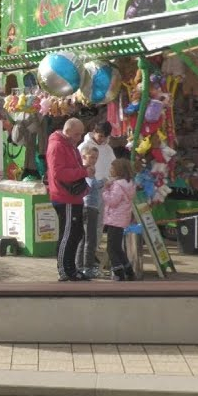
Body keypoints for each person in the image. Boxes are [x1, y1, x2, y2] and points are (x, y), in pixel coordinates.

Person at [48, 118, 90, 282]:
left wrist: (83, 170)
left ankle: (71, 268)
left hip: (74, 196)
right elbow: (59, 173)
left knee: (77, 232)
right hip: (64, 196)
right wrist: (83, 172)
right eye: (77, 134)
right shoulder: (57, 146)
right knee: (68, 233)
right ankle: (65, 270)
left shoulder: (69, 145)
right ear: (67, 131)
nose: (79, 138)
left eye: (80, 134)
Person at [78, 119, 115, 275]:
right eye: (100, 136)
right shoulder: (83, 147)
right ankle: (84, 261)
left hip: (103, 192)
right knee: (86, 232)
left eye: (104, 137)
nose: (101, 139)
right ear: (94, 132)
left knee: (99, 226)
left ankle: (92, 255)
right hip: (87, 195)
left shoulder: (107, 149)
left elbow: (113, 166)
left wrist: (110, 181)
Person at [101, 157, 138, 281]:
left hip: (115, 219)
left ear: (118, 170)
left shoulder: (117, 185)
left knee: (111, 248)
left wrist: (105, 190)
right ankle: (129, 271)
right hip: (122, 218)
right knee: (117, 247)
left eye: (112, 168)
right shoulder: (130, 183)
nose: (110, 170)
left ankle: (118, 272)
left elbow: (112, 201)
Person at [76, 147, 104, 279]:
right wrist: (103, 182)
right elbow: (90, 186)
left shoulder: (88, 170)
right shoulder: (85, 170)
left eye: (95, 157)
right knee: (90, 239)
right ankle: (87, 267)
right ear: (83, 156)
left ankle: (79, 265)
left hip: (90, 207)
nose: (94, 160)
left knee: (84, 238)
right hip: (88, 207)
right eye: (91, 157)